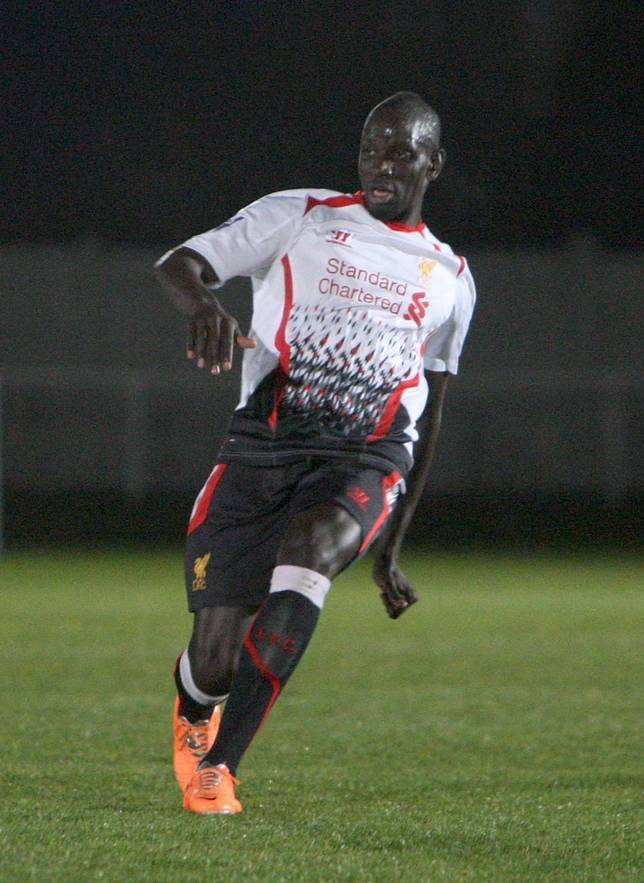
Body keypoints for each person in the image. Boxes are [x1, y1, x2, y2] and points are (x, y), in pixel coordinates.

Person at [153, 92, 476, 815]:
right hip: (265, 445)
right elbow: (178, 264)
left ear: (434, 163)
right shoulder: (300, 215)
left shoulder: (452, 277)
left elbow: (432, 407)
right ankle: (195, 704)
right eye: (370, 149)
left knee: (310, 556)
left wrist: (392, 542)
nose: (381, 164)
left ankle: (220, 769)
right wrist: (205, 304)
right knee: (216, 656)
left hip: (363, 458)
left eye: (399, 150)